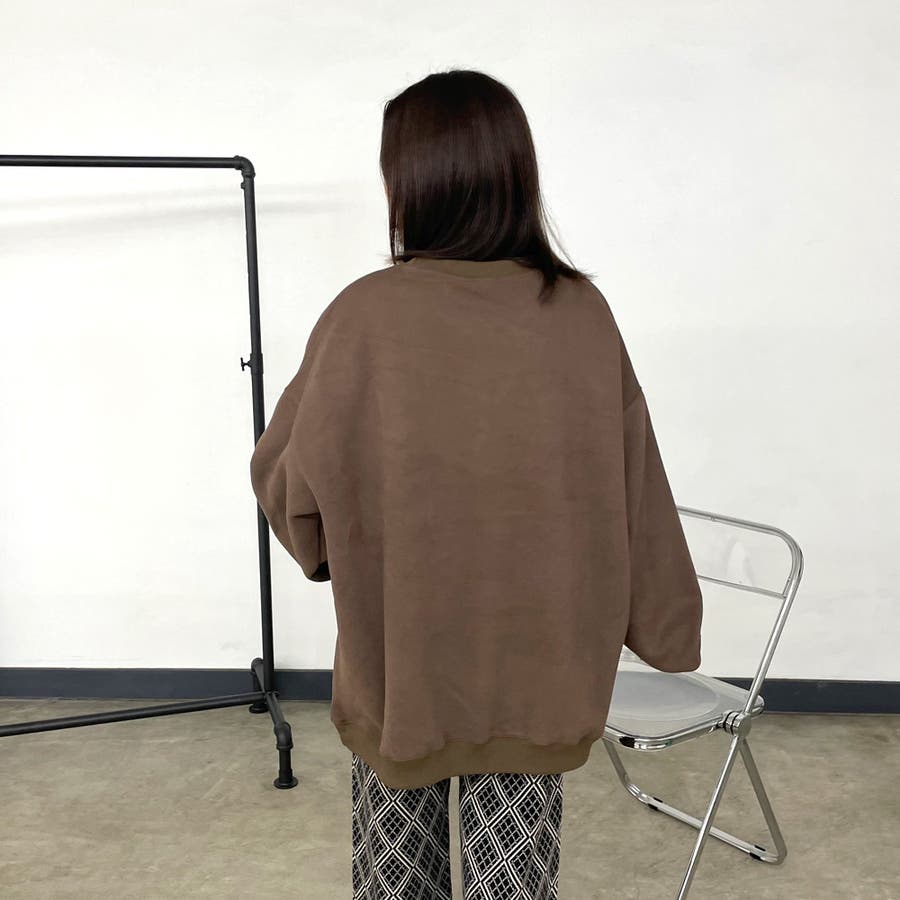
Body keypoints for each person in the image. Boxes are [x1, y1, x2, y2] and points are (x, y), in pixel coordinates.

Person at [250, 68, 703, 900]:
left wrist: (332, 551)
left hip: (401, 664)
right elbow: (638, 490)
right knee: (514, 885)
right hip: (540, 673)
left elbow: (283, 477)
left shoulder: (364, 316)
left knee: (397, 881)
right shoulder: (580, 314)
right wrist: (668, 628)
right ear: (513, 173)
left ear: (410, 183)